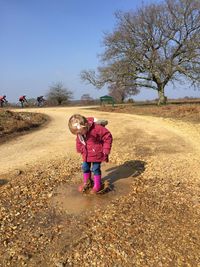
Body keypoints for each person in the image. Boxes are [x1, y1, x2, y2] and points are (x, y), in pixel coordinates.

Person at [68, 114, 113, 193]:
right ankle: (87, 182)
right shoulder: (81, 132)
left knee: (95, 169)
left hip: (97, 153)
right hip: (86, 153)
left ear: (86, 125)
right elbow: (78, 140)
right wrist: (79, 149)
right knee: (85, 167)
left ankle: (97, 185)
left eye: (80, 132)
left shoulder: (97, 129)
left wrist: (106, 149)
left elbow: (108, 136)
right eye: (77, 133)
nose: (79, 134)